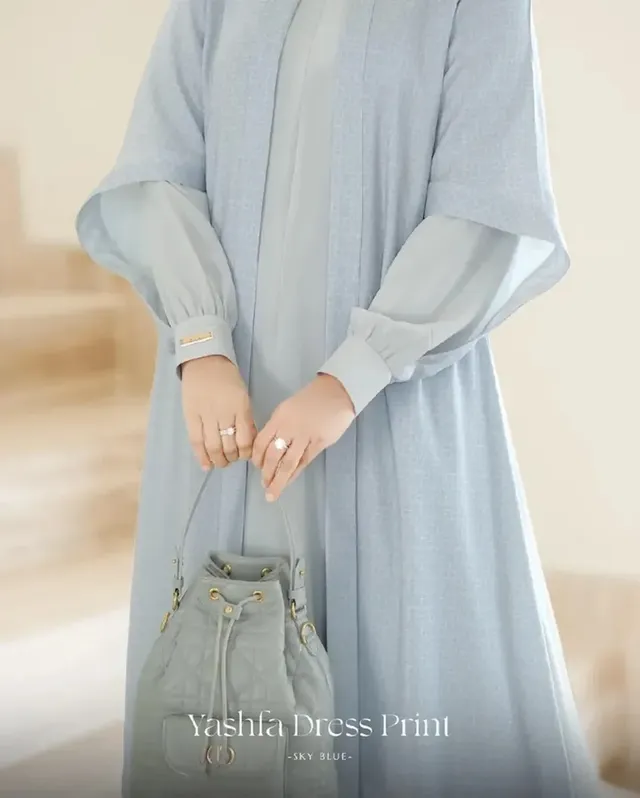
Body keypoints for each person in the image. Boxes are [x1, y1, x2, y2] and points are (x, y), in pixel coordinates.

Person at [76, 0, 602, 795]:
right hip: (228, 406)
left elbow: (488, 202)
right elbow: (159, 165)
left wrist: (352, 374)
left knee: (403, 685)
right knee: (219, 695)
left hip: (393, 405)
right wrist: (201, 339)